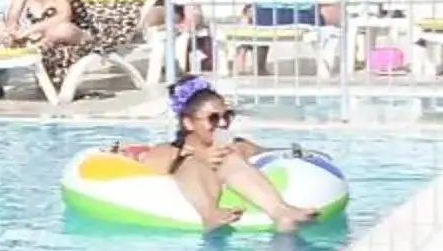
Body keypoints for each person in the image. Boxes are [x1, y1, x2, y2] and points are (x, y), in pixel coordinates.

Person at [126, 76, 314, 232]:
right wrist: (196, 154)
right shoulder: (172, 150)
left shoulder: (238, 146)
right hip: (198, 205)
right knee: (192, 161)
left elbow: (272, 154)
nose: (223, 124)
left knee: (228, 155)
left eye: (227, 116)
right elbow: (148, 160)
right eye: (213, 118)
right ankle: (210, 214)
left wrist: (302, 153)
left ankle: (280, 211)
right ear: (189, 123)